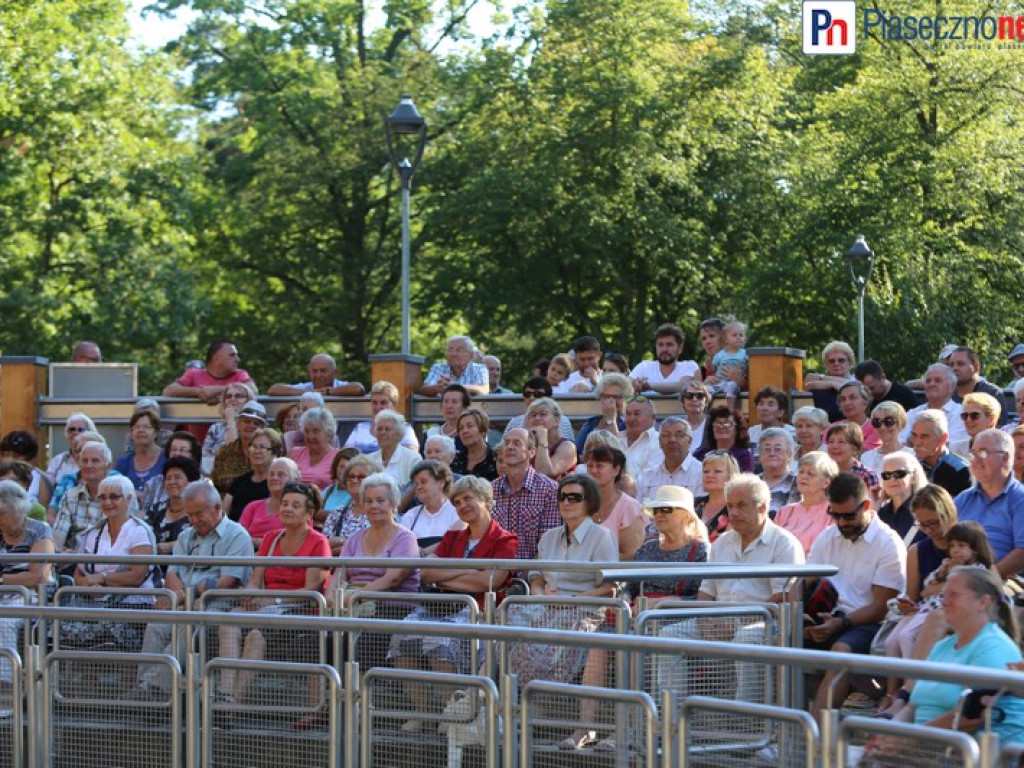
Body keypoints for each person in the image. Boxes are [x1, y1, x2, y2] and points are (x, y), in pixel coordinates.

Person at [657, 475, 804, 710]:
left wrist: (737, 619)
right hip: (719, 618)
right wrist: (707, 619)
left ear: (763, 507)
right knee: (668, 636)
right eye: (731, 506)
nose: (733, 513)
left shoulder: (784, 543)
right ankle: (673, 717)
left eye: (742, 505)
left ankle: (748, 723)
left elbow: (782, 597)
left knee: (746, 637)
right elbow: (706, 591)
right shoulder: (723, 542)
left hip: (765, 620)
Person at [390, 475, 518, 734]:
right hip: (440, 606)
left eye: (468, 499)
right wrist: (465, 572)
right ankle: (423, 711)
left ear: (487, 501)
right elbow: (426, 574)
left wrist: (447, 575)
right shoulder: (452, 537)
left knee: (441, 643)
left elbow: (490, 580)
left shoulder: (505, 539)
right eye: (457, 502)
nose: (463, 506)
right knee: (401, 637)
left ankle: (455, 712)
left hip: (478, 610)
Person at [134, 480, 253, 697]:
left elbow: (228, 581)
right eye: (190, 515)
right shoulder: (185, 536)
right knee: (156, 624)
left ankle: (155, 688)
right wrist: (185, 597)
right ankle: (142, 684)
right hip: (186, 603)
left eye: (199, 514)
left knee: (188, 624)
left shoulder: (238, 535)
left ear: (217, 508)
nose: (194, 520)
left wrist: (191, 594)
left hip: (218, 608)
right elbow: (172, 574)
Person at [217, 482, 332, 705]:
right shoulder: (271, 538)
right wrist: (250, 594)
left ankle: (234, 701)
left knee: (256, 635)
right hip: (264, 606)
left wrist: (273, 599)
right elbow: (255, 580)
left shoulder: (319, 542)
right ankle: (225, 691)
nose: (287, 509)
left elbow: (311, 590)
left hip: (299, 609)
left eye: (295, 505)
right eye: (285, 503)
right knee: (228, 621)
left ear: (309, 513)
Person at [805, 472, 906, 718]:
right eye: (835, 515)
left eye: (849, 515)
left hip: (871, 624)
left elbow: (880, 608)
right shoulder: (827, 536)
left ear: (867, 506)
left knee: (842, 650)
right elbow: (803, 583)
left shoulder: (888, 542)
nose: (841, 522)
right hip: (830, 618)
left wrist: (839, 623)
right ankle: (781, 727)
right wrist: (801, 617)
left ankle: (812, 735)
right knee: (781, 639)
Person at [879, 507, 988, 716]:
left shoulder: (977, 570)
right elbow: (926, 587)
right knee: (890, 642)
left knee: (906, 636)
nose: (956, 550)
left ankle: (910, 690)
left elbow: (966, 590)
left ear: (974, 549)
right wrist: (941, 575)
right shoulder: (946, 565)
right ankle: (893, 693)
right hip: (926, 607)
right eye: (953, 546)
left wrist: (944, 584)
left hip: (940, 610)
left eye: (962, 546)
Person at [905, 568, 1024, 746]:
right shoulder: (943, 646)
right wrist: (887, 735)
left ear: (982, 602)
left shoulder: (993, 646)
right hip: (925, 750)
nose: (943, 602)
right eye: (944, 595)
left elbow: (967, 719)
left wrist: (903, 741)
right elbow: (911, 706)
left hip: (964, 755)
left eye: (953, 595)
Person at [330, 473, 421, 670]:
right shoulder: (354, 538)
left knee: (364, 641)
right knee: (319, 638)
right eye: (369, 501)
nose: (374, 506)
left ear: (394, 503)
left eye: (381, 500)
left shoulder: (405, 537)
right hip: (352, 606)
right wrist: (331, 598)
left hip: (392, 607)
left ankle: (361, 697)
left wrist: (356, 596)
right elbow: (339, 574)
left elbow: (393, 579)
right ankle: (324, 699)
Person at [0, 480, 54, 686]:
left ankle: (5, 689)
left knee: (3, 621)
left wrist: (3, 580)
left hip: (31, 595)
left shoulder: (39, 530)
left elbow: (38, 576)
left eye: (1, 514)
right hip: (5, 593)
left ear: (18, 510)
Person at [954, 428, 1024, 579]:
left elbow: (1022, 552)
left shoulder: (1020, 499)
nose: (976, 460)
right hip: (959, 578)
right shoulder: (963, 499)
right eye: (973, 454)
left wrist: (986, 579)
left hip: (1001, 583)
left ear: (1005, 457)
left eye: (983, 453)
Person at [492, 428, 560, 561]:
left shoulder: (550, 490)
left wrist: (526, 575)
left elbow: (549, 545)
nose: (510, 447)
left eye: (517, 443)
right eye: (507, 443)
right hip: (495, 573)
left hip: (535, 574)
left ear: (532, 452)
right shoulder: (490, 490)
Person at [630, 486, 708, 604]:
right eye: (655, 510)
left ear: (686, 515)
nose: (659, 514)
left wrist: (664, 603)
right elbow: (629, 587)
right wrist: (624, 598)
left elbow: (703, 597)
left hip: (679, 619)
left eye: (666, 509)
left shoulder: (700, 550)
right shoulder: (647, 548)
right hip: (639, 617)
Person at [52, 441, 118, 553]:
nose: (88, 465)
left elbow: (122, 539)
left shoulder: (119, 497)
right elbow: (59, 534)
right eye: (84, 460)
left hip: (109, 561)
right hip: (72, 561)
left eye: (95, 460)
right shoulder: (70, 496)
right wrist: (56, 551)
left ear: (108, 466)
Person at [586, 445, 645, 560]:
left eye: (599, 466)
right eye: (590, 466)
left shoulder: (629, 507)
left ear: (616, 470)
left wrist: (591, 562)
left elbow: (630, 555)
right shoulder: (580, 502)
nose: (593, 470)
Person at [775, 451, 838, 554]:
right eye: (801, 472)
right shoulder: (784, 512)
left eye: (811, 474)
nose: (803, 476)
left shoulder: (834, 513)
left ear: (826, 482)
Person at [162, 339, 255, 406]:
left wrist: (216, 391)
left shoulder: (240, 374)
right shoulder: (194, 373)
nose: (238, 359)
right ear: (216, 358)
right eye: (232, 355)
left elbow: (253, 390)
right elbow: (168, 391)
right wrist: (199, 392)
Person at [320, 455, 380, 555]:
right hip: (337, 567)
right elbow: (324, 546)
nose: (354, 480)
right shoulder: (337, 512)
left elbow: (381, 543)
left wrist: (343, 542)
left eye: (361, 477)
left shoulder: (381, 510)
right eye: (351, 477)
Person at [238, 457, 302, 550]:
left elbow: (297, 542)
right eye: (271, 474)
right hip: (249, 557)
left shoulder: (301, 509)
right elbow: (238, 537)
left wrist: (258, 543)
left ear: (295, 480)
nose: (274, 478)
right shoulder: (253, 506)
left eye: (281, 474)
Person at [144, 457, 202, 556]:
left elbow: (206, 541)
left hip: (190, 567)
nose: (171, 482)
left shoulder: (201, 511)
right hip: (155, 567)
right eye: (168, 478)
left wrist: (172, 546)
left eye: (177, 477)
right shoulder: (155, 510)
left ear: (191, 481)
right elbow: (142, 539)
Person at [399, 460, 462, 551]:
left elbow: (457, 542)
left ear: (441, 483)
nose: (419, 487)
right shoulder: (411, 515)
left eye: (423, 482)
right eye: (416, 484)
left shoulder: (457, 512)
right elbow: (402, 544)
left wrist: (424, 552)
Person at [909, 409, 972, 498]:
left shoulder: (960, 470)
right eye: (914, 435)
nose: (917, 442)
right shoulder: (908, 465)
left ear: (943, 438)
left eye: (924, 436)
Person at [222, 428, 282, 522]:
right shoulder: (239, 481)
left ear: (274, 453)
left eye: (262, 447)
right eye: (254, 446)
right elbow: (223, 512)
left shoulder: (277, 482)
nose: (257, 451)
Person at [636, 417, 703, 501]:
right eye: (666, 435)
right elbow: (639, 510)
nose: (672, 440)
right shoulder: (647, 476)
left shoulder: (701, 473)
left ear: (689, 441)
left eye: (679, 435)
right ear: (659, 442)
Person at [342, 381, 418, 454]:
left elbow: (411, 456)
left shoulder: (405, 429)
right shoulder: (360, 428)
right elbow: (346, 456)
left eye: (383, 403)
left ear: (394, 406)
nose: (378, 407)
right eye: (375, 402)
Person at [901, 364, 968, 444]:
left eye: (938, 380)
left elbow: (952, 445)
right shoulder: (912, 414)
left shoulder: (962, 414)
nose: (931, 384)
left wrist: (914, 440)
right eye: (928, 381)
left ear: (952, 386)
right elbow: (900, 442)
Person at [210, 400, 267, 494]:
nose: (251, 425)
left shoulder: (269, 453)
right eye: (247, 421)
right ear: (238, 424)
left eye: (256, 423)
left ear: (263, 429)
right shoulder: (224, 452)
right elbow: (214, 486)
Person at [200, 382, 257, 474]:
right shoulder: (215, 428)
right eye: (228, 396)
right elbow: (205, 457)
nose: (232, 399)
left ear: (248, 401)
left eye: (238, 396)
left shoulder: (253, 427)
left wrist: (231, 420)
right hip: (216, 475)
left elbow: (234, 452)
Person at [630, 323, 700, 394]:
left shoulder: (689, 366)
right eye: (660, 345)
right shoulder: (644, 367)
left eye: (669, 345)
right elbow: (626, 384)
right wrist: (634, 383)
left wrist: (648, 385)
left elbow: (683, 386)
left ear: (680, 348)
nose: (664, 349)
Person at [876, 452, 929, 544]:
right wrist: (876, 503)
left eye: (899, 474)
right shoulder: (881, 513)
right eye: (886, 475)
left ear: (913, 477)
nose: (892, 479)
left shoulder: (926, 511)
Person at [573, 373, 632, 455]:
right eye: (607, 396)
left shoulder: (630, 423)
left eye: (617, 397)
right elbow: (577, 451)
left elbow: (617, 454)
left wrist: (611, 419)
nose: (611, 401)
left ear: (626, 399)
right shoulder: (591, 423)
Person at [503, 377, 575, 440]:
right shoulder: (515, 422)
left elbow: (567, 448)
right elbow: (501, 449)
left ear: (550, 398)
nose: (531, 398)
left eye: (537, 394)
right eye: (527, 394)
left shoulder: (562, 420)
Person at [114, 410, 167, 493]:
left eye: (146, 427)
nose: (141, 430)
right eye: (136, 427)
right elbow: (115, 489)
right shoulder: (123, 462)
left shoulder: (167, 458)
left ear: (156, 433)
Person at [694, 451, 741, 543]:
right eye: (706, 471)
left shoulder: (737, 508)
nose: (709, 475)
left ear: (730, 476)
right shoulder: (693, 504)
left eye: (717, 471)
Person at [525, 397, 577, 479]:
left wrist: (542, 441)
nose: (537, 418)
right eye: (533, 415)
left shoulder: (568, 446)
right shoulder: (525, 445)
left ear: (556, 420)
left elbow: (543, 474)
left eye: (543, 414)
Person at [824, 422, 879, 499]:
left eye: (841, 442)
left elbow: (874, 505)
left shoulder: (867, 475)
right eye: (831, 441)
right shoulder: (822, 474)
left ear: (855, 450)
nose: (834, 446)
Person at [420, 336, 489, 397]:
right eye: (450, 350)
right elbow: (424, 389)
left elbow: (484, 390)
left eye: (459, 350)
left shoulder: (479, 369)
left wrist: (455, 387)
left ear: (470, 356)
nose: (453, 354)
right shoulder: (438, 368)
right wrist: (437, 387)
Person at [267, 353, 364, 397]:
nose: (318, 375)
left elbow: (358, 389)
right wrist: (308, 393)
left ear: (335, 373)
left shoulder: (342, 386)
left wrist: (328, 392)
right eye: (314, 371)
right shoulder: (306, 388)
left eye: (323, 371)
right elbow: (273, 389)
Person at [289, 407, 339, 489]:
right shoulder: (294, 454)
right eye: (307, 431)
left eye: (316, 431)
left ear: (329, 434)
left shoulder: (337, 458)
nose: (310, 436)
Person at [694, 405, 754, 472]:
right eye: (718, 422)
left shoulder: (744, 456)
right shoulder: (700, 454)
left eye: (727, 423)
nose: (721, 426)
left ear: (737, 429)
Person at [859, 401, 913, 475]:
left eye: (888, 422)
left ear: (900, 424)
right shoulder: (866, 457)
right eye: (877, 422)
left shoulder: (911, 455)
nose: (882, 427)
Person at [369, 410, 420, 486]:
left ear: (398, 434)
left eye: (387, 429)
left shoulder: (412, 459)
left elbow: (415, 488)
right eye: (379, 429)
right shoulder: (369, 460)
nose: (383, 432)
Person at [0, 431, 51, 507]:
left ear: (29, 458)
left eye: (15, 456)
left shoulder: (40, 480)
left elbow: (44, 514)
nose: (9, 459)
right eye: (5, 455)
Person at [45, 413, 96, 485]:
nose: (75, 432)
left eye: (80, 429)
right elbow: (47, 485)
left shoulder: (97, 459)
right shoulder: (58, 461)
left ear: (90, 433)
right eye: (72, 429)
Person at [758, 428, 799, 517]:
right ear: (759, 455)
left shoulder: (798, 483)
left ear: (789, 455)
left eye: (778, 449)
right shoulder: (751, 482)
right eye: (767, 449)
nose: (772, 453)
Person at [619, 395, 662, 479]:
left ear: (653, 417)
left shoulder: (660, 442)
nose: (632, 418)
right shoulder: (617, 438)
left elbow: (649, 479)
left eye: (637, 414)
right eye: (628, 414)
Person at [949, 392, 1001, 459]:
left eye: (974, 416)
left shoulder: (1002, 449)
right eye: (965, 416)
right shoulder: (954, 449)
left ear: (991, 419)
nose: (968, 420)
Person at [855, 360, 920, 413]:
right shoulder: (868, 403)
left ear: (883, 377)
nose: (869, 393)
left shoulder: (903, 394)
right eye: (865, 389)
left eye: (872, 388)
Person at [707, 320, 748, 404]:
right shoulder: (720, 354)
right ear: (726, 339)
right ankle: (705, 413)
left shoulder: (745, 354)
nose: (738, 337)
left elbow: (749, 369)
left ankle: (730, 412)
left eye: (741, 335)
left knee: (731, 386)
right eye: (734, 335)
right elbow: (714, 368)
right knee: (706, 389)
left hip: (734, 383)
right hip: (720, 383)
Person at [748, 387, 796, 458]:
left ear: (780, 412)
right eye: (761, 404)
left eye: (770, 405)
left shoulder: (791, 433)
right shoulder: (751, 432)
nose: (764, 408)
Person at [452, 408, 498, 481]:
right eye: (461, 428)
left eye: (470, 426)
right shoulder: (454, 460)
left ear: (482, 429)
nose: (464, 431)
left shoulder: (496, 459)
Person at [837, 381, 882, 452]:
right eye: (843, 399)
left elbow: (864, 454)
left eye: (852, 398)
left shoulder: (876, 427)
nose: (847, 403)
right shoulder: (832, 428)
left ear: (865, 402)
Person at [318, 448, 360, 517]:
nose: (345, 471)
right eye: (342, 467)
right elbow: (312, 510)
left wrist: (321, 513)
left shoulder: (356, 493)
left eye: (349, 468)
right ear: (335, 467)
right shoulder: (329, 490)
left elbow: (345, 516)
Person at [680, 380, 711, 455]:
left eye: (699, 396)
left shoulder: (713, 423)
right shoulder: (677, 425)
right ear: (683, 401)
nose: (694, 399)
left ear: (706, 401)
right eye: (689, 396)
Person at [697, 317, 724, 382]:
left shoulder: (743, 362)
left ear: (724, 337)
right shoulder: (700, 372)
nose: (707, 341)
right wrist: (704, 385)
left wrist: (740, 381)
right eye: (704, 338)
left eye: (712, 336)